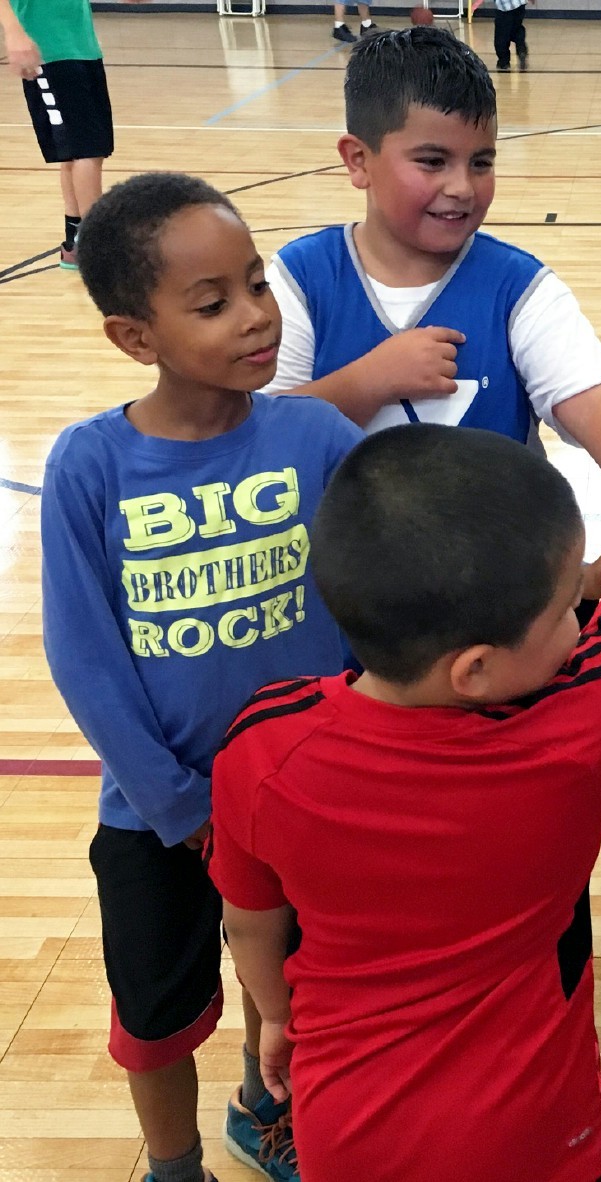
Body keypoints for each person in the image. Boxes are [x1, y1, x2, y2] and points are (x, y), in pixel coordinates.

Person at [206, 426, 601, 1182]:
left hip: (345, 1127)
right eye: (567, 609)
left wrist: (275, 1013)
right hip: (534, 1133)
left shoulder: (265, 744)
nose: (579, 623)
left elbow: (249, 921)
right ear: (474, 670)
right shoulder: (578, 729)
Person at [40, 173, 364, 1182]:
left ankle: (268, 1108)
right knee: (157, 1015)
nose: (257, 316)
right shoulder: (90, 464)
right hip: (158, 814)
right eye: (214, 302)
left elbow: (389, 584)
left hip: (309, 798)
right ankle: (171, 1163)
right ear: (135, 338)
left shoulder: (316, 436)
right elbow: (83, 657)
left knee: (302, 995)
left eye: (258, 285)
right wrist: (180, 805)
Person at [263, 28, 601, 501]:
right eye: (433, 161)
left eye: (481, 162)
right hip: (343, 572)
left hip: (503, 569)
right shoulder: (300, 280)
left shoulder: (520, 289)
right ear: (358, 160)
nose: (463, 187)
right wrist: (368, 381)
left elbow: (598, 402)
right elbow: (259, 439)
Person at [0, 0, 114, 269]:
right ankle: (97, 250)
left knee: (78, 151)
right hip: (47, 51)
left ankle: (76, 243)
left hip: (81, 47)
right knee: (87, 150)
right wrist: (14, 32)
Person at [492, 0, 528, 71]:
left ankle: (504, 62)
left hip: (504, 7)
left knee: (501, 36)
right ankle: (521, 48)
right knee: (517, 29)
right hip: (520, 4)